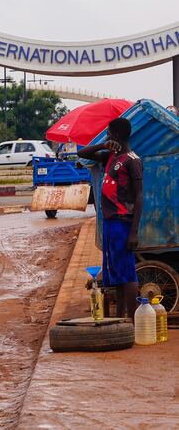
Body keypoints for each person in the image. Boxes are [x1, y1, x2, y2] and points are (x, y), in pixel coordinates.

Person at [78, 117, 143, 320]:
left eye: (108, 133)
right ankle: (120, 317)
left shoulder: (132, 160)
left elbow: (140, 196)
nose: (106, 136)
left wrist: (133, 231)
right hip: (109, 223)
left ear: (116, 134)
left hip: (123, 223)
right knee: (115, 275)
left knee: (128, 274)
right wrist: (103, 144)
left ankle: (132, 323)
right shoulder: (109, 157)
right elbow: (82, 153)